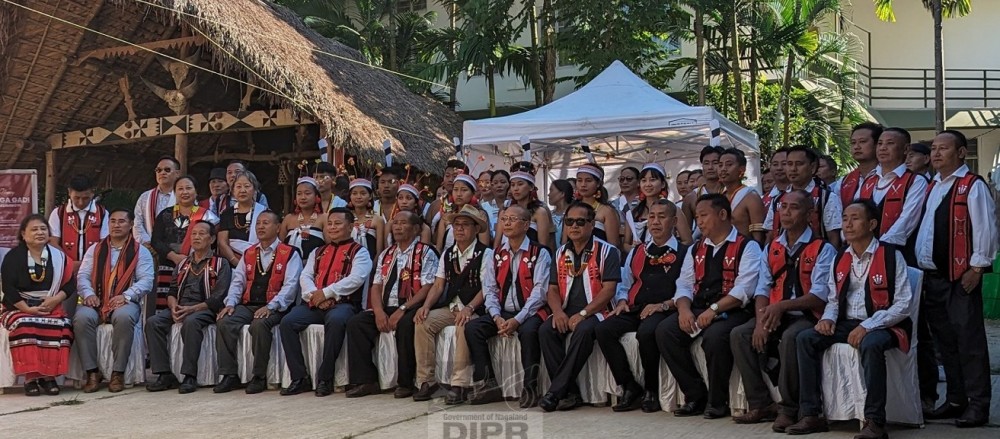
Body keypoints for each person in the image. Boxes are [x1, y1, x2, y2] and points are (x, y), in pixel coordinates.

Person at [789, 200, 912, 438]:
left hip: (884, 324)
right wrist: (827, 320)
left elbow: (903, 304)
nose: (848, 224)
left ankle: (875, 421)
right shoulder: (840, 258)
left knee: (871, 343)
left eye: (855, 218)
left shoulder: (890, 255)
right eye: (845, 219)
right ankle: (811, 414)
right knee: (805, 338)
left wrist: (867, 326)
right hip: (847, 323)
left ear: (872, 224)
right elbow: (834, 300)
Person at [729, 190, 835, 428]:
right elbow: (762, 289)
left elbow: (821, 295)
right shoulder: (772, 246)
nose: (786, 212)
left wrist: (781, 307)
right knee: (740, 334)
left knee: (790, 337)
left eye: (794, 207)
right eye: (783, 206)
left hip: (808, 315)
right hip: (776, 312)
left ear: (809, 213)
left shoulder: (822, 248)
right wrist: (760, 322)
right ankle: (761, 404)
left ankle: (789, 408)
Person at [915, 130, 998, 428]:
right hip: (933, 277)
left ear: (961, 153)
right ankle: (954, 399)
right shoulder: (931, 185)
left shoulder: (971, 186)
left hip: (959, 276)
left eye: (944, 148)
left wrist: (977, 268)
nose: (936, 154)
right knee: (945, 342)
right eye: (934, 148)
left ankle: (978, 405)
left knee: (969, 342)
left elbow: (986, 228)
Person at [657, 193, 762, 418]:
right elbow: (684, 284)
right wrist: (684, 310)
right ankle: (695, 394)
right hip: (699, 306)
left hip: (732, 310)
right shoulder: (697, 248)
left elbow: (744, 289)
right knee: (666, 331)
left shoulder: (748, 246)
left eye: (704, 216)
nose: (699, 222)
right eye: (697, 217)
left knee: (715, 337)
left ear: (723, 214)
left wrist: (714, 310)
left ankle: (718, 401)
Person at [595, 199, 688, 413]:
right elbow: (625, 283)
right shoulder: (638, 251)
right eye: (652, 217)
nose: (655, 222)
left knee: (646, 332)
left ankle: (652, 390)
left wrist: (663, 305)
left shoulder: (685, 253)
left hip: (665, 309)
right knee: (603, 329)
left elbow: (687, 288)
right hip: (636, 307)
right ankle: (629, 386)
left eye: (661, 217)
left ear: (674, 221)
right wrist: (621, 301)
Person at [463, 205, 551, 407]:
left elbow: (540, 292)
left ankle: (530, 387)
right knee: (473, 328)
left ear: (526, 225)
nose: (508, 223)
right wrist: (496, 316)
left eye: (513, 219)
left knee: (529, 331)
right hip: (503, 311)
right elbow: (490, 290)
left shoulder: (540, 252)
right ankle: (488, 385)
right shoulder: (495, 254)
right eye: (504, 219)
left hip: (531, 311)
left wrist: (518, 319)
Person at [344, 211, 439, 398]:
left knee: (405, 325)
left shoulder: (426, 251)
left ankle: (406, 382)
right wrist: (378, 311)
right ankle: (367, 380)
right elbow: (376, 285)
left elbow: (428, 286)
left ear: (416, 229)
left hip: (413, 304)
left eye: (403, 223)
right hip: (388, 305)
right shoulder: (387, 253)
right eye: (395, 223)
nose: (397, 227)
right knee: (357, 323)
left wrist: (403, 309)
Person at [278, 207, 372, 396]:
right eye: (329, 223)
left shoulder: (360, 252)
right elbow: (305, 276)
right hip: (315, 303)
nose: (332, 227)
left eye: (338, 223)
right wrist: (316, 296)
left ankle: (325, 378)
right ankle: (299, 377)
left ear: (350, 226)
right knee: (287, 322)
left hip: (344, 304)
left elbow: (355, 279)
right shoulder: (318, 251)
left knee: (336, 321)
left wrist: (327, 293)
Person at [538, 202, 621, 412]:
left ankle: (555, 392)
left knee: (583, 331)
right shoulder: (559, 253)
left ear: (592, 224)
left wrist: (583, 314)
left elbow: (609, 290)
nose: (574, 226)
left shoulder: (607, 251)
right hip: (567, 309)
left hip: (598, 310)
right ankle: (570, 393)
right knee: (546, 330)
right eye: (569, 222)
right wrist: (557, 312)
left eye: (580, 222)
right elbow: (553, 289)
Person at [214, 211, 303, 395]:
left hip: (277, 306)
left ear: (278, 227)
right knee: (224, 321)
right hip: (249, 304)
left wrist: (271, 306)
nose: (261, 227)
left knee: (259, 324)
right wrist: (230, 303)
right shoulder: (249, 253)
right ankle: (229, 375)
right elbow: (238, 281)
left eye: (266, 223)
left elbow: (291, 286)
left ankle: (259, 376)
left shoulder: (290, 253)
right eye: (258, 223)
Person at [412, 206, 491, 402]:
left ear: (475, 229)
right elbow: (438, 285)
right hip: (451, 307)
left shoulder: (486, 253)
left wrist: (469, 308)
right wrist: (426, 306)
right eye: (456, 225)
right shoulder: (448, 253)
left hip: (474, 308)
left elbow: (486, 288)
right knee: (423, 322)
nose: (459, 229)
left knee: (464, 325)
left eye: (465, 225)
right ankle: (426, 381)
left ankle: (459, 384)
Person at [74, 209, 154, 393]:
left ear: (131, 225)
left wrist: (126, 296)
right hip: (96, 300)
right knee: (81, 319)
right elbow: (83, 275)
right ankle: (92, 372)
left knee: (125, 318)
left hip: (125, 301)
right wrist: (88, 294)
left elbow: (146, 281)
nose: (116, 225)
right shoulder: (95, 249)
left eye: (121, 221)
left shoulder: (140, 251)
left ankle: (118, 373)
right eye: (112, 221)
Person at [145, 220, 231, 394]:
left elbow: (218, 297)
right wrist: (174, 306)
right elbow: (172, 291)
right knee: (153, 322)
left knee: (191, 322)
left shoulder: (221, 264)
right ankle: (164, 373)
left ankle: (189, 375)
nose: (196, 237)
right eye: (193, 234)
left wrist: (192, 309)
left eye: (201, 234)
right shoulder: (183, 264)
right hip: (181, 307)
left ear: (212, 239)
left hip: (205, 309)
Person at [0, 215, 76, 396]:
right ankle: (31, 378)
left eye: (43, 229)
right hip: (17, 307)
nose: (40, 233)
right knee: (26, 324)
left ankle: (49, 376)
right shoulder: (13, 257)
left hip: (50, 305)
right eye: (34, 229)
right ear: (23, 235)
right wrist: (26, 309)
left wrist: (56, 299)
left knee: (63, 325)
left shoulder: (59, 257)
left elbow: (70, 284)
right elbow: (8, 288)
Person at [150, 176, 220, 312]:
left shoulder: (208, 216)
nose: (184, 192)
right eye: (180, 189)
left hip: (197, 268)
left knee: (191, 305)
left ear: (196, 191)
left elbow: (213, 242)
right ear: (175, 193)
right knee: (166, 309)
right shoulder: (165, 214)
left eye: (188, 188)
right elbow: (156, 241)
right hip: (168, 266)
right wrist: (174, 257)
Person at [858, 127, 927, 264]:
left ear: (906, 149)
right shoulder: (868, 180)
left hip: (898, 256)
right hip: (864, 255)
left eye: (890, 143)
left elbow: (907, 220)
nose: (883, 148)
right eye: (880, 143)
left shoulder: (915, 181)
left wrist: (878, 248)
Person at [49, 174, 109, 318]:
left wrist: (85, 264)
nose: (81, 202)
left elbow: (105, 243)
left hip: (93, 271)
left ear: (92, 193)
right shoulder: (59, 213)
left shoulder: (102, 213)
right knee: (65, 312)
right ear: (69, 192)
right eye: (76, 198)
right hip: (66, 272)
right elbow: (52, 242)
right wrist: (70, 264)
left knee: (94, 311)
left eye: (86, 198)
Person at [765, 146, 842, 247]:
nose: (793, 169)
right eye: (789, 164)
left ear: (813, 167)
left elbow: (834, 237)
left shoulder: (827, 198)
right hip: (779, 259)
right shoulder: (777, 199)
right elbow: (770, 235)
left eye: (799, 164)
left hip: (818, 259)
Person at [624, 163, 693, 252]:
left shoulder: (674, 210)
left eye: (652, 180)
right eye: (644, 180)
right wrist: (635, 251)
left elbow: (687, 241)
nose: (648, 184)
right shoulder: (634, 212)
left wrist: (668, 251)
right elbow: (625, 243)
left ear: (663, 184)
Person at [494, 164, 554, 249]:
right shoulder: (504, 212)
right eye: (513, 185)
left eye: (520, 184)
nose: (515, 188)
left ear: (531, 187)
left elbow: (543, 246)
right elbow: (497, 245)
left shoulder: (539, 212)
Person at [218, 171, 268, 267]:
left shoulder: (263, 213)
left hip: (259, 263)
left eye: (247, 186)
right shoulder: (226, 214)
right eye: (238, 186)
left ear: (254, 190)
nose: (242, 190)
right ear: (233, 191)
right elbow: (222, 242)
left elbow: (268, 240)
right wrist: (236, 262)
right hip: (232, 266)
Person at [718, 148, 767, 243]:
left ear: (742, 169)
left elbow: (758, 238)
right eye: (720, 165)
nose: (723, 169)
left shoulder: (751, 197)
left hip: (743, 253)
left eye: (729, 165)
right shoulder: (719, 196)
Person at [569, 163, 621, 248]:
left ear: (598, 184)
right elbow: (564, 242)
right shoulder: (572, 209)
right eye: (579, 180)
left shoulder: (607, 211)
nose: (583, 184)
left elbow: (613, 245)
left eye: (588, 180)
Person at [435, 174, 489, 252]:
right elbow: (439, 248)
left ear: (473, 193)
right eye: (456, 189)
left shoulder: (480, 215)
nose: (459, 194)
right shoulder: (447, 216)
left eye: (464, 190)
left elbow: (484, 247)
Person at [134, 156, 180, 244]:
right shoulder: (145, 197)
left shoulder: (184, 196)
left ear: (177, 173)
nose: (162, 173)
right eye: (158, 170)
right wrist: (148, 244)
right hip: (148, 248)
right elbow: (138, 223)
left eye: (167, 170)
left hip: (177, 249)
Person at [280, 177, 327, 259]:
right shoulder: (288, 219)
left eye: (307, 193)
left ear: (316, 196)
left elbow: (330, 246)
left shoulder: (324, 218)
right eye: (299, 194)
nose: (303, 197)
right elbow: (280, 245)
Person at [838, 122, 883, 207]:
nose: (856, 147)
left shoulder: (887, 176)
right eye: (853, 142)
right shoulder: (844, 181)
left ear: (877, 144)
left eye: (862, 141)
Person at [349, 178, 385, 261]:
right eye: (354, 193)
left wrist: (373, 268)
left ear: (370, 196)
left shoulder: (377, 220)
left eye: (363, 193)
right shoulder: (346, 218)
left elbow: (379, 251)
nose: (358, 197)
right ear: (350, 196)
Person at [427, 159, 470, 227]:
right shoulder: (435, 205)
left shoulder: (473, 207)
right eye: (447, 176)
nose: (450, 179)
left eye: (455, 176)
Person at [548, 179, 573, 247]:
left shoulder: (573, 215)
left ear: (562, 194)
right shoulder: (548, 215)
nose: (548, 194)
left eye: (551, 190)